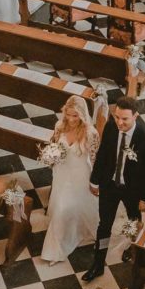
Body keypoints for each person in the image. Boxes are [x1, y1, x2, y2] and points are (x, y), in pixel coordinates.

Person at [85, 96, 145, 281]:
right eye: (117, 117)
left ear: (135, 116)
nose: (120, 122)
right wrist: (94, 180)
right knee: (104, 226)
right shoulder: (111, 127)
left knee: (134, 221)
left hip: (132, 189)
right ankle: (98, 263)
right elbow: (102, 154)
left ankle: (131, 248)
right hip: (109, 184)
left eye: (124, 119)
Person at [40, 96, 100, 264]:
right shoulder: (59, 126)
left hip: (81, 175)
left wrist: (95, 182)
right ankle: (57, 248)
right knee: (60, 206)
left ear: (82, 114)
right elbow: (54, 145)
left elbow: (96, 159)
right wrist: (50, 157)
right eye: (69, 115)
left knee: (75, 206)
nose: (72, 119)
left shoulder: (91, 133)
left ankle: (67, 240)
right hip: (62, 173)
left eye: (76, 116)